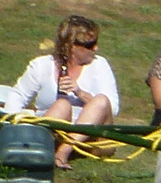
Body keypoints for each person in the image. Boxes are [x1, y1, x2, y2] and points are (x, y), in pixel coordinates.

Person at [13, 15, 120, 166]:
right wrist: (9, 127)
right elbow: (18, 96)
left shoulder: (100, 65)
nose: (96, 48)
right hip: (56, 131)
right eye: (90, 45)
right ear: (72, 46)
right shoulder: (42, 65)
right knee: (62, 105)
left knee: (101, 100)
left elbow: (112, 108)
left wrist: (80, 93)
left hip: (93, 138)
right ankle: (34, 148)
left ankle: (63, 152)